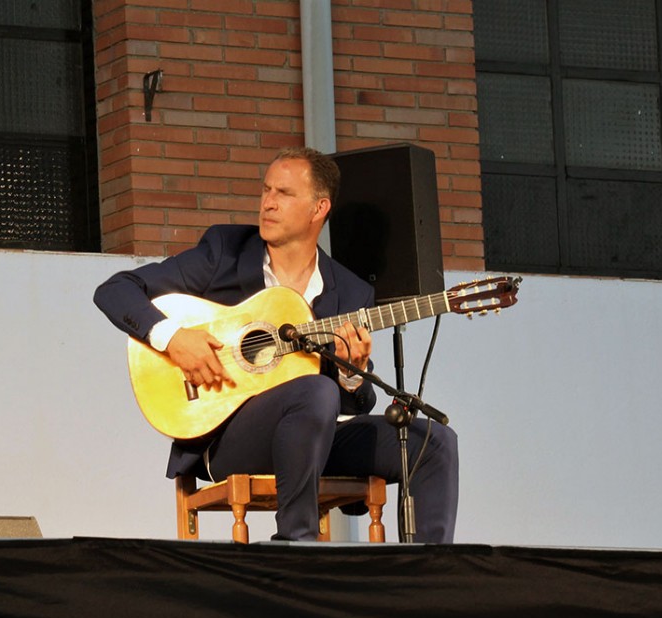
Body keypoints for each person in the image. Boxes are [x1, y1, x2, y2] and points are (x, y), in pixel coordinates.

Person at [94, 147, 458, 543]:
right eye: (266, 190)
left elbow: (355, 403)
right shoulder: (225, 252)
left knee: (435, 442)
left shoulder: (351, 291)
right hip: (228, 436)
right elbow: (115, 290)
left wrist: (353, 374)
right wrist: (175, 339)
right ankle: (296, 545)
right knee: (315, 391)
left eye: (283, 194)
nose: (268, 203)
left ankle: (428, 573)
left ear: (319, 208)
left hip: (314, 436)